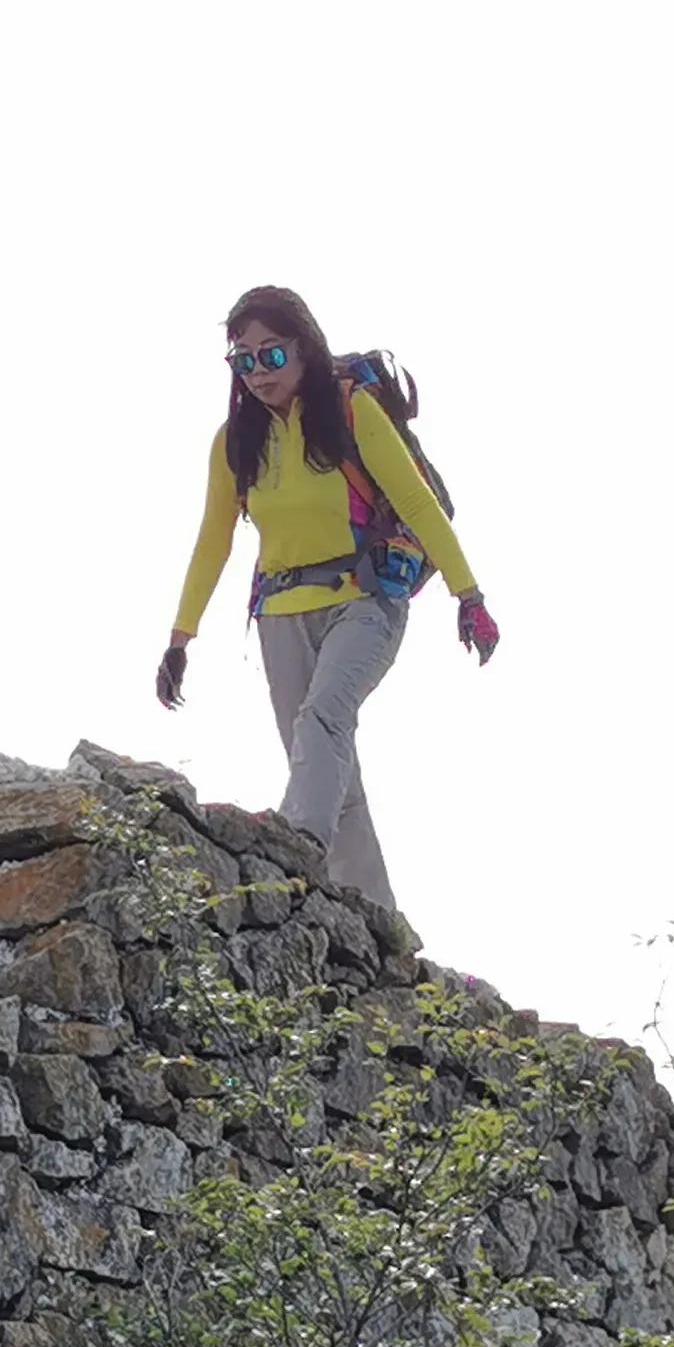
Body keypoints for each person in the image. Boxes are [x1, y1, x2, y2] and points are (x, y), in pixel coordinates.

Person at [152, 285, 500, 919]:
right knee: (327, 764)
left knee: (323, 721)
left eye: (272, 355)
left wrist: (467, 594)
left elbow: (418, 503)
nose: (258, 372)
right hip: (281, 613)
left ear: (305, 350)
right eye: (243, 359)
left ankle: (293, 849)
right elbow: (214, 540)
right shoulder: (235, 442)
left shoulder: (350, 410)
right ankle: (376, 921)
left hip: (366, 599)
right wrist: (181, 638)